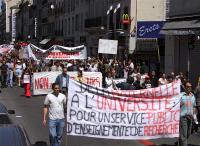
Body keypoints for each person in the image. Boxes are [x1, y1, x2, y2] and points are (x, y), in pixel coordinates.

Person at [179, 81, 197, 146]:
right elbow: (175, 105)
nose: (189, 88)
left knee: (188, 134)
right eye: (188, 86)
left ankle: (180, 142)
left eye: (190, 86)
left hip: (190, 118)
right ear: (184, 87)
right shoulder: (180, 95)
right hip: (183, 117)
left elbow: (194, 106)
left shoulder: (192, 96)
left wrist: (195, 116)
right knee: (184, 134)